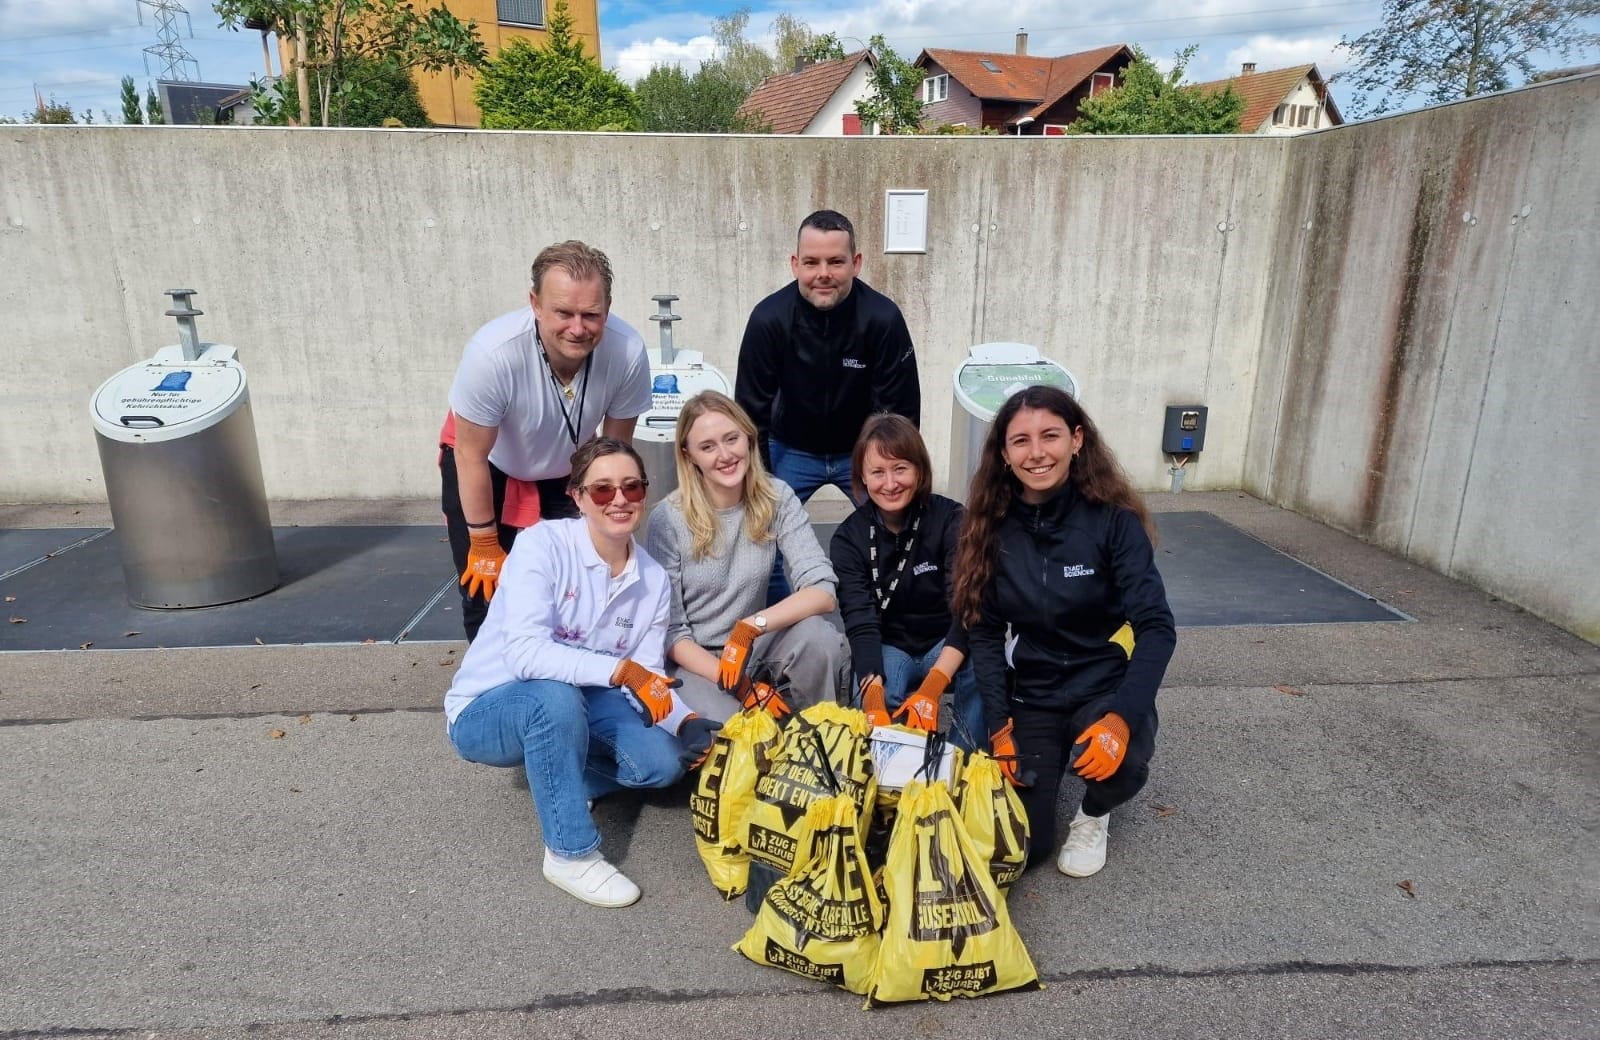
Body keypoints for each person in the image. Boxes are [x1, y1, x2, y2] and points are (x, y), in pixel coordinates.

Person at [443, 437, 717, 908]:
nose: (619, 500)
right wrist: (621, 671)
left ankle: (558, 771)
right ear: (577, 496)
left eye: (632, 488)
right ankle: (569, 853)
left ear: (644, 493)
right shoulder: (541, 545)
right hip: (492, 705)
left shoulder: (651, 577)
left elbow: (647, 675)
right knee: (555, 697)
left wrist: (687, 723)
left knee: (664, 764)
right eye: (602, 490)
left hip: (586, 704)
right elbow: (526, 656)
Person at [954, 386, 1176, 879]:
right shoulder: (990, 528)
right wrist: (999, 725)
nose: (1037, 453)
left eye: (1050, 435)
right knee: (1023, 849)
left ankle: (1094, 813)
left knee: (1126, 758)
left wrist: (1120, 717)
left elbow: (1157, 628)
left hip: (1102, 685)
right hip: (1032, 693)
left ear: (1077, 440)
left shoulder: (1115, 524)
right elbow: (984, 634)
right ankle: (1049, 775)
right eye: (1021, 441)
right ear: (1005, 454)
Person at [440, 240, 652, 641]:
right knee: (485, 585)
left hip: (570, 466)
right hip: (488, 464)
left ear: (607, 309)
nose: (577, 327)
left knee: (579, 576)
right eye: (563, 312)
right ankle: (489, 686)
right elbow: (470, 454)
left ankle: (571, 664)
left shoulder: (627, 351)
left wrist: (609, 519)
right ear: (535, 303)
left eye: (591, 314)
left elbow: (615, 452)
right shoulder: (493, 353)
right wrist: (484, 541)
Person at [736, 209, 920, 601]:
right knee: (761, 545)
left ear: (855, 263)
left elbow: (900, 413)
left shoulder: (883, 318)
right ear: (794, 264)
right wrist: (761, 483)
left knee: (895, 541)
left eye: (835, 261)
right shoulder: (769, 319)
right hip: (789, 448)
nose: (824, 273)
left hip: (861, 452)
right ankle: (782, 628)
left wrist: (886, 473)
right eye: (811, 262)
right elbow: (750, 413)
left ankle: (883, 632)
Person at [645, 391, 847, 722]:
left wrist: (751, 627)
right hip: (701, 658)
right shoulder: (668, 519)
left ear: (748, 437)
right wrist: (743, 687)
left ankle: (823, 736)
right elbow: (672, 634)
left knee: (821, 638)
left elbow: (823, 591)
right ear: (689, 455)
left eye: (731, 438)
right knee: (737, 737)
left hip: (756, 644)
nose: (725, 454)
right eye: (707, 446)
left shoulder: (776, 496)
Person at [829, 413, 983, 748]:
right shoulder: (848, 538)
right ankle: (892, 770)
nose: (890, 483)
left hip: (945, 640)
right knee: (873, 710)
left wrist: (933, 687)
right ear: (862, 478)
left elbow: (967, 609)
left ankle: (961, 758)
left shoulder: (951, 519)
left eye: (901, 468)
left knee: (986, 661)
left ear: (920, 470)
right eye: (877, 472)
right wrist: (872, 701)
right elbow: (860, 620)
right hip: (889, 645)